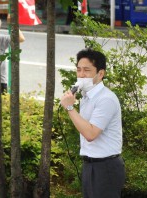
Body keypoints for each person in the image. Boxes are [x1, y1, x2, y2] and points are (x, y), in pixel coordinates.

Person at [60, 48, 125, 198]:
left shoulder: (106, 99)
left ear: (100, 73)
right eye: (79, 70)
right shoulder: (86, 97)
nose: (81, 75)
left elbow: (90, 133)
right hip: (90, 165)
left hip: (106, 167)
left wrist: (70, 108)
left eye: (87, 70)